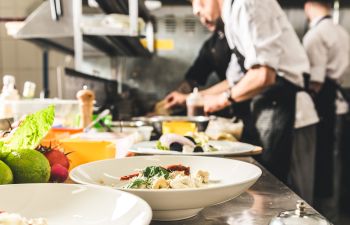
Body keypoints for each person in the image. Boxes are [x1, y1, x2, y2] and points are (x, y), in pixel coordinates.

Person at [165, 0, 320, 202]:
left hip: (290, 107)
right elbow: (235, 80)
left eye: (200, 3)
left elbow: (264, 75)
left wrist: (223, 100)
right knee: (273, 187)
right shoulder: (231, 17)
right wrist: (201, 98)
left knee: (293, 195)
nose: (197, 10)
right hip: (268, 105)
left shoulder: (248, 4)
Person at [303, 0, 349, 220]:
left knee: (324, 163)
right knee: (336, 162)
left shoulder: (315, 34)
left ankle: (323, 215)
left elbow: (316, 82)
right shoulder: (341, 31)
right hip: (340, 104)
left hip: (325, 104)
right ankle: (336, 213)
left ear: (308, 6)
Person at [162, 18, 233, 117]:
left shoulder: (238, 37)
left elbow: (237, 80)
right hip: (230, 110)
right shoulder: (212, 44)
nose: (203, 20)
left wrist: (190, 98)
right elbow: (194, 78)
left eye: (202, 4)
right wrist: (180, 93)